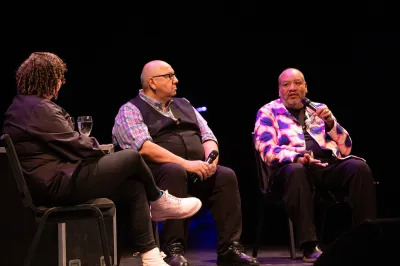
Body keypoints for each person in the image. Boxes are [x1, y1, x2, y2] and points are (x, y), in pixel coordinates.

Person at [2, 52, 203, 266]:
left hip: (51, 181)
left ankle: (151, 256)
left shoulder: (21, 107)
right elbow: (75, 143)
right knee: (131, 158)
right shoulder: (38, 109)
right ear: (47, 78)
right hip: (57, 185)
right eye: (59, 77)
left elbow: (62, 142)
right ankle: (159, 200)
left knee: (133, 186)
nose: (61, 82)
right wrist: (99, 150)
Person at [112, 60, 259, 266]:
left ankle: (229, 249)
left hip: (194, 170)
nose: (176, 80)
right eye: (170, 76)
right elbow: (144, 147)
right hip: (153, 178)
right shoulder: (131, 110)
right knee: (174, 171)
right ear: (152, 83)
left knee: (225, 175)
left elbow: (208, 136)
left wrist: (211, 161)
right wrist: (186, 164)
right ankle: (173, 249)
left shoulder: (184, 104)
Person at [253, 68, 376, 263]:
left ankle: (367, 239)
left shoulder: (318, 108)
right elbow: (266, 150)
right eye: (286, 85)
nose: (292, 88)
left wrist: (330, 123)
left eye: (298, 83)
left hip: (324, 167)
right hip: (288, 172)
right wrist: (297, 157)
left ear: (305, 87)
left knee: (359, 168)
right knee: (297, 170)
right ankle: (309, 246)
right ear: (279, 90)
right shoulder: (268, 112)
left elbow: (346, 148)